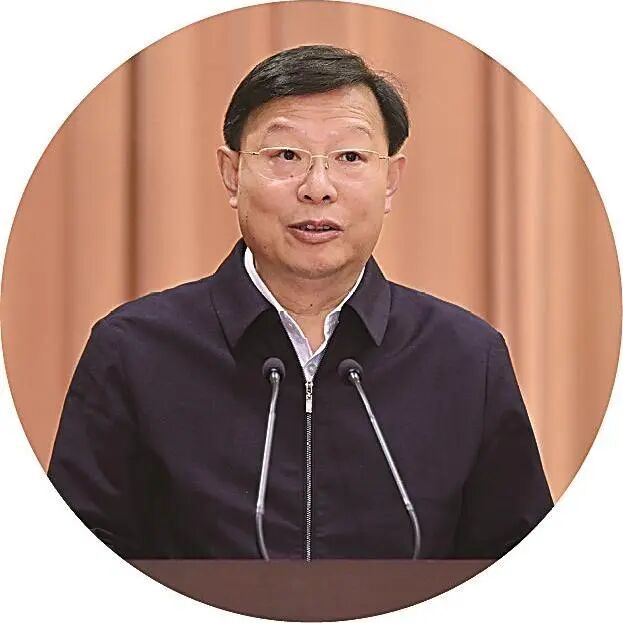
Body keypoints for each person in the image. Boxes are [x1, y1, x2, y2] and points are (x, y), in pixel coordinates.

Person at [47, 44, 553, 560]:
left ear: (390, 181)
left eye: (350, 158)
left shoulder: (466, 357)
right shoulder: (134, 351)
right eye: (286, 156)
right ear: (231, 173)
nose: (318, 188)